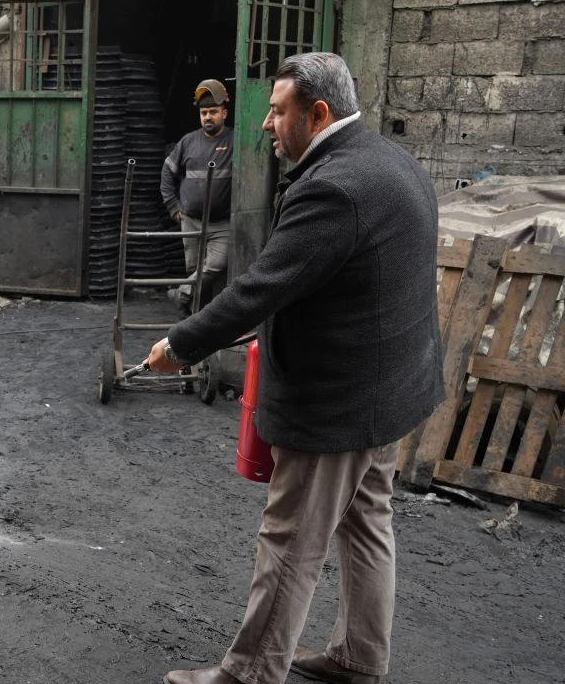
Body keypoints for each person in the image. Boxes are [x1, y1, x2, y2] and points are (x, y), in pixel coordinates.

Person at [145, 52, 445, 684]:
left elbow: (259, 288)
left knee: (290, 539)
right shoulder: (391, 160)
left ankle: (252, 672)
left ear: (318, 113)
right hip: (390, 390)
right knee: (367, 521)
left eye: (277, 112)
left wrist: (180, 345)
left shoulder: (332, 187)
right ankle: (359, 657)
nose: (264, 125)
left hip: (338, 401)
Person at [160, 79, 234, 320]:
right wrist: (173, 206)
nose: (208, 117)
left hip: (221, 224)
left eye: (213, 112)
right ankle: (194, 319)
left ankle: (180, 295)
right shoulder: (188, 142)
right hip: (190, 220)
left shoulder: (234, 141)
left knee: (214, 266)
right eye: (204, 113)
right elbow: (167, 172)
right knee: (194, 270)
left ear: (224, 112)